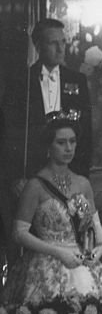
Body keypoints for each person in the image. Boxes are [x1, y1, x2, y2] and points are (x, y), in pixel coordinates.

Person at [2, 19, 92, 259]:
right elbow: (9, 133)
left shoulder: (78, 81)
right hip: (32, 175)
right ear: (38, 45)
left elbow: (86, 136)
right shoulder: (19, 82)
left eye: (63, 42)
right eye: (54, 43)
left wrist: (80, 179)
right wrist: (16, 177)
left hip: (68, 176)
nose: (61, 49)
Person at [3, 113, 102, 306]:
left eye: (72, 142)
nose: (68, 148)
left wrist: (99, 248)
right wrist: (58, 252)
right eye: (61, 143)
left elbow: (96, 228)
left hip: (83, 261)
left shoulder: (83, 183)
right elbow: (19, 233)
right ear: (48, 146)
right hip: (46, 264)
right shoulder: (35, 186)